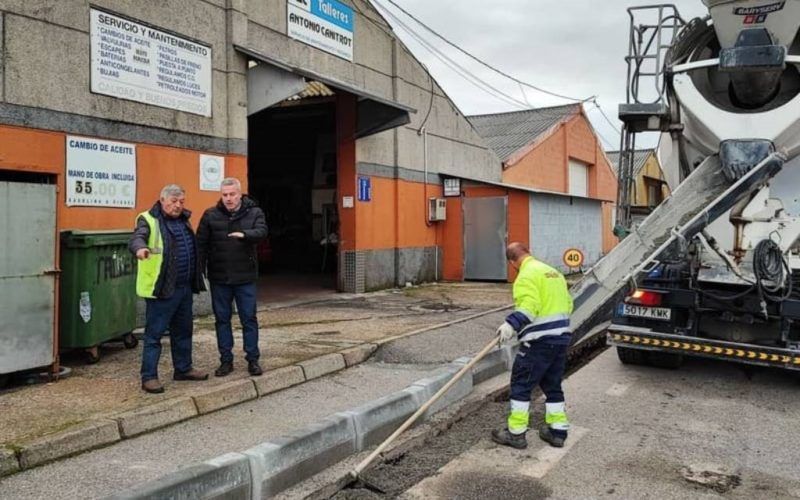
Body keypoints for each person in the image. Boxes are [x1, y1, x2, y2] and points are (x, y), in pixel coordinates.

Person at [492, 242, 574, 449]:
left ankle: (516, 434)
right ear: (529, 252)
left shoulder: (526, 276)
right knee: (553, 386)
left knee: (521, 385)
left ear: (512, 262)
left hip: (539, 343)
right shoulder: (553, 272)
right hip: (561, 339)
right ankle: (558, 432)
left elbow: (530, 306)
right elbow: (569, 304)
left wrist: (510, 325)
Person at [129, 184, 208, 394]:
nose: (178, 205)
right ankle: (149, 377)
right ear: (162, 200)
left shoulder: (183, 220)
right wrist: (140, 248)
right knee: (154, 335)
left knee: (183, 331)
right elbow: (137, 237)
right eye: (173, 201)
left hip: (183, 288)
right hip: (161, 289)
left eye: (181, 201)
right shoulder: (148, 219)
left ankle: (183, 369)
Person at [197, 178, 268, 377]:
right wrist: (199, 272)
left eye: (232, 194)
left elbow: (262, 231)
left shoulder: (255, 212)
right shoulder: (210, 215)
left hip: (245, 277)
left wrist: (245, 235)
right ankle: (225, 360)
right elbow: (200, 245)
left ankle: (253, 359)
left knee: (249, 319)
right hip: (220, 278)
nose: (228, 199)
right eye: (224, 195)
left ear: (240, 194)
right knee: (222, 320)